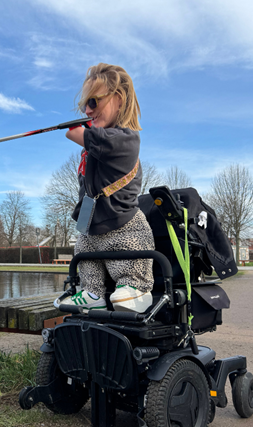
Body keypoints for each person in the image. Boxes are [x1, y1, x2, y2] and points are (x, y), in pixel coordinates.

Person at [54, 63, 155, 313]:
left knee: (129, 255)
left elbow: (96, 140)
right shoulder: (91, 149)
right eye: (84, 107)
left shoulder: (127, 140)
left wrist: (76, 131)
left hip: (124, 225)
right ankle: (92, 292)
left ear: (118, 100)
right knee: (84, 249)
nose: (87, 111)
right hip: (94, 228)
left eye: (93, 102)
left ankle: (136, 288)